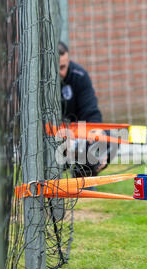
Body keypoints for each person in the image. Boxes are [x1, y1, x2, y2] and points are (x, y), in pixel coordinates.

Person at [58, 41, 109, 178]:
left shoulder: (79, 76)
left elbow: (91, 111)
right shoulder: (40, 82)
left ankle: (83, 179)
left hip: (77, 133)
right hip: (53, 135)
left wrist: (96, 133)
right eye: (56, 68)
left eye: (63, 67)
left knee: (110, 137)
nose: (60, 72)